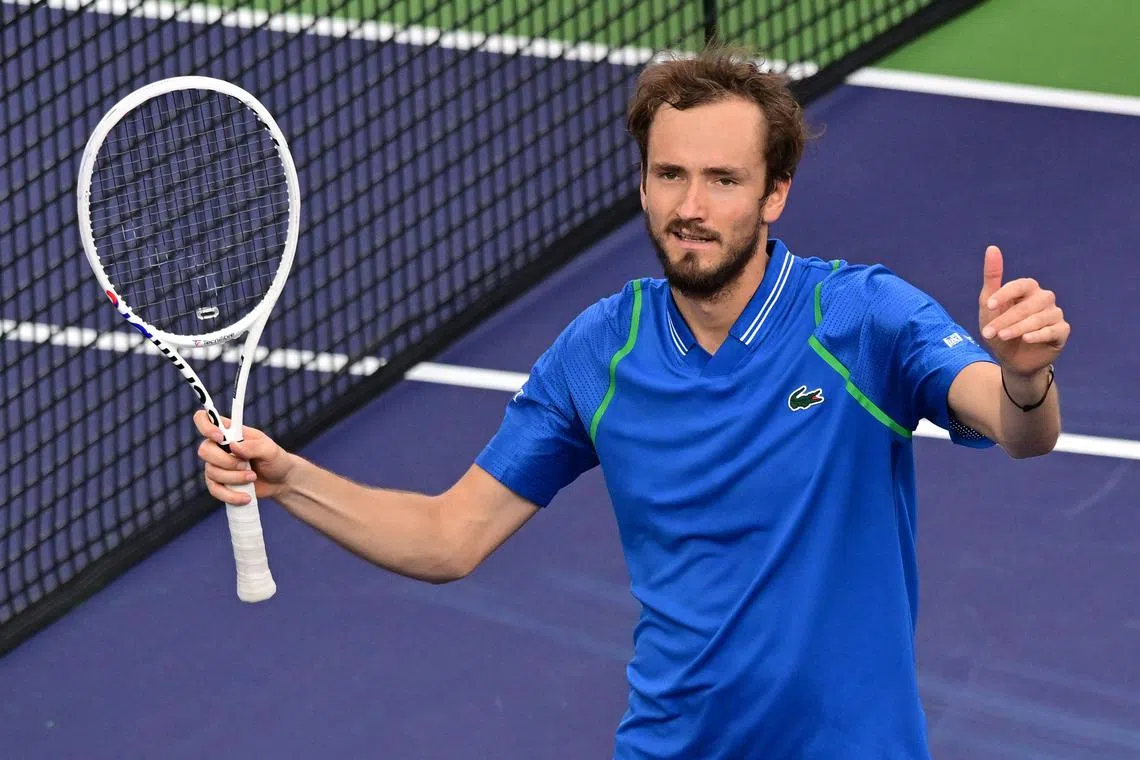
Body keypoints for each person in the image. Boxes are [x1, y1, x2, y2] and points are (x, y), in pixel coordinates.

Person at [194, 45, 1070, 759]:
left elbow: (1015, 428)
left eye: (723, 180)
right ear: (644, 184)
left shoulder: (862, 317)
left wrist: (1027, 377)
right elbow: (448, 539)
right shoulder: (597, 353)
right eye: (669, 176)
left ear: (775, 194)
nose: (690, 207)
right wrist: (287, 479)